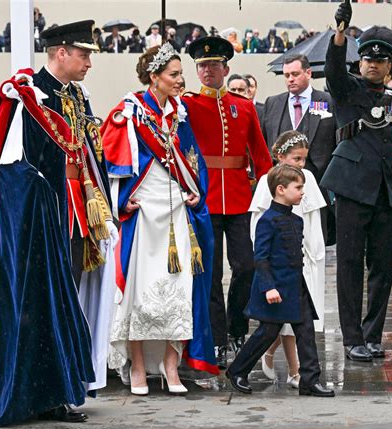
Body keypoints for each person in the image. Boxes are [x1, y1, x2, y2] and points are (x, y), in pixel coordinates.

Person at [0, 20, 116, 427]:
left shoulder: (75, 96)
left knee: (64, 301)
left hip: (76, 210)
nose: (88, 63)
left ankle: (56, 391)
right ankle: (27, 394)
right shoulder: (24, 97)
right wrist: (43, 207)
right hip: (42, 217)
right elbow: (10, 171)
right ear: (60, 52)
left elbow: (87, 156)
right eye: (83, 55)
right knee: (34, 302)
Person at [100, 43, 219, 395]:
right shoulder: (130, 111)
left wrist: (198, 190)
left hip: (176, 208)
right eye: (174, 74)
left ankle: (171, 365)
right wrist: (122, 200)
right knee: (139, 291)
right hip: (143, 211)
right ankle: (138, 366)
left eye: (181, 74)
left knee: (179, 289)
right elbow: (112, 162)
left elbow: (192, 157)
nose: (181, 80)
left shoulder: (180, 112)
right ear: (154, 77)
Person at [321, 2, 392, 362]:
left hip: (385, 192)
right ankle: (351, 338)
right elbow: (332, 70)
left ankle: (373, 334)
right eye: (367, 59)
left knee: (382, 268)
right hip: (352, 189)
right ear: (359, 63)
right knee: (348, 265)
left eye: (380, 60)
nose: (373, 65)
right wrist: (341, 33)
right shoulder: (347, 89)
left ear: (390, 66)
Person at [183, 36, 272, 368]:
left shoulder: (244, 106)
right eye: (202, 66)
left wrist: (268, 192)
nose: (208, 71)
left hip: (238, 198)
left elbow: (260, 155)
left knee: (246, 267)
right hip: (203, 198)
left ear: (226, 68)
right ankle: (217, 339)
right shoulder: (187, 104)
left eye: (213, 65)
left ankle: (237, 328)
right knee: (209, 275)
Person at [225, 165, 334, 398]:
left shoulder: (296, 220)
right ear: (281, 189)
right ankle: (237, 370)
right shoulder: (267, 220)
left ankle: (310, 380)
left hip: (296, 286)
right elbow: (261, 257)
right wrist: (269, 287)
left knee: (306, 332)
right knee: (267, 332)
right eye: (299, 187)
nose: (303, 192)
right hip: (275, 288)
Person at [250, 131, 326, 386]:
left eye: (304, 159)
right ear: (280, 156)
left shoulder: (310, 179)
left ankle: (294, 368)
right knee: (281, 317)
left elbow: (314, 217)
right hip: (280, 260)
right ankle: (294, 371)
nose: (301, 165)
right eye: (296, 159)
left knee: (301, 319)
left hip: (304, 256)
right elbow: (258, 223)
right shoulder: (267, 181)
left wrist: (316, 251)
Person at [261, 54, 336, 245]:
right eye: (286, 75)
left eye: (295, 74)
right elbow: (264, 141)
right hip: (281, 188)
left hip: (319, 184)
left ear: (308, 72)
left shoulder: (328, 101)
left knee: (316, 241)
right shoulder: (273, 103)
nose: (290, 79)